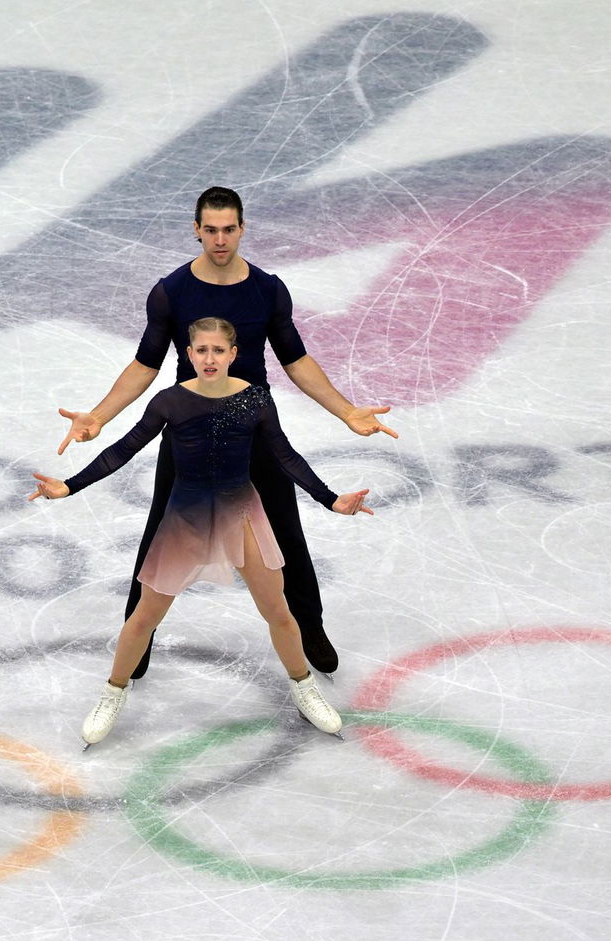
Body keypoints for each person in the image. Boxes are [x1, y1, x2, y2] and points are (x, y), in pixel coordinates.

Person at [55, 185, 395, 678]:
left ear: (242, 229)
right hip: (188, 432)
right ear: (196, 230)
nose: (219, 240)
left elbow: (295, 359)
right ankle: (139, 638)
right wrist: (100, 415)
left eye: (228, 229)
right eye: (210, 230)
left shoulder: (267, 289)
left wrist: (345, 411)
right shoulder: (172, 291)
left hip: (254, 427)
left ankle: (311, 627)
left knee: (285, 532)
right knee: (159, 533)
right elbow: (146, 363)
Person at [30, 318, 373, 747]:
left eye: (218, 350)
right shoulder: (170, 402)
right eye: (202, 350)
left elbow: (285, 455)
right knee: (144, 617)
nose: (210, 358)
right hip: (186, 517)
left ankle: (304, 688)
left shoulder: (255, 400)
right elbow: (124, 449)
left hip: (241, 515)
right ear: (189, 355)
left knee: (279, 611)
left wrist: (331, 499)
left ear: (233, 354)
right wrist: (69, 486)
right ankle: (112, 693)